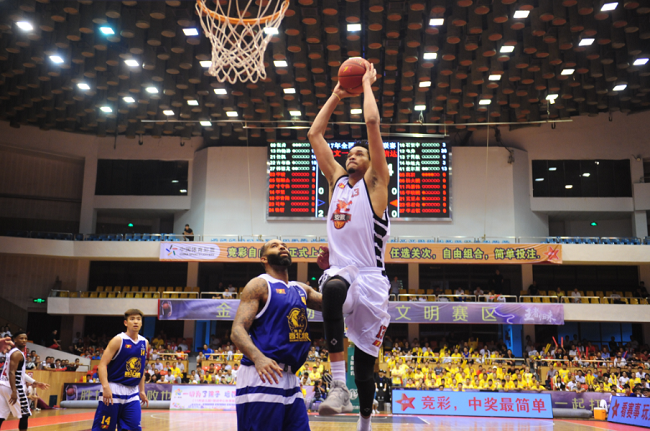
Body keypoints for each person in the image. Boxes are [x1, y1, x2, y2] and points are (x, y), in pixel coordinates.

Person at [308, 60, 390, 431]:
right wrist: (337, 95)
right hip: (344, 273)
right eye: (349, 153)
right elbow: (315, 134)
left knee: (366, 370)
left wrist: (367, 83)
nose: (352, 155)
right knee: (332, 289)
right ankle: (338, 386)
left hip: (372, 281)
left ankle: (365, 420)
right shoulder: (337, 182)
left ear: (372, 163)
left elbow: (372, 123)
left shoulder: (376, 184)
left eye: (360, 153)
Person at [232, 239, 322, 431]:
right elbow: (237, 330)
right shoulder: (260, 284)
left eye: (284, 245)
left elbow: (335, 304)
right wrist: (258, 358)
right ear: (264, 259)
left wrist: (334, 271)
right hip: (262, 374)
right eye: (274, 246)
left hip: (291, 378)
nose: (282, 247)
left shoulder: (301, 289)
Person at [91, 309, 149, 431]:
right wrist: (106, 387)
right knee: (105, 428)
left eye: (138, 319)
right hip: (113, 389)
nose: (135, 322)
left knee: (133, 428)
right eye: (132, 319)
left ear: (141, 323)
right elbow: (102, 365)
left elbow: (141, 368)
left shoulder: (145, 342)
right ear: (125, 323)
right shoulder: (118, 340)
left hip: (132, 392)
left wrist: (142, 390)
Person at [0, 331, 50, 430]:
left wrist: (35, 382)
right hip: (13, 387)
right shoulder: (17, 354)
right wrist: (14, 391)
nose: (24, 340)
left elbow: (20, 373)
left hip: (2, 386)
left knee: (1, 415)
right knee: (25, 414)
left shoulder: (12, 352)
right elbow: (12, 373)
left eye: (25, 338)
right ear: (15, 340)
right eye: (21, 338)